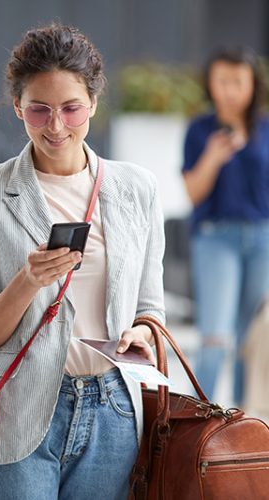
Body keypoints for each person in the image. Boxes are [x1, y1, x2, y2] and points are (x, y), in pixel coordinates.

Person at [0, 24, 165, 500]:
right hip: (17, 411)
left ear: (93, 103)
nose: (56, 126)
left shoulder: (136, 189)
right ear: (17, 108)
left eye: (71, 108)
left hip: (113, 414)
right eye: (39, 110)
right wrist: (27, 282)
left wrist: (142, 332)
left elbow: (151, 308)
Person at [182, 47, 269, 406]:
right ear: (210, 84)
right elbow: (192, 192)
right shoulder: (200, 130)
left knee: (251, 341)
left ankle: (241, 430)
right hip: (216, 239)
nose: (230, 89)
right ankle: (195, 425)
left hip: (262, 239)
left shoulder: (266, 128)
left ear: (252, 84)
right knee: (215, 337)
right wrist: (214, 157)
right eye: (222, 81)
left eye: (238, 81)